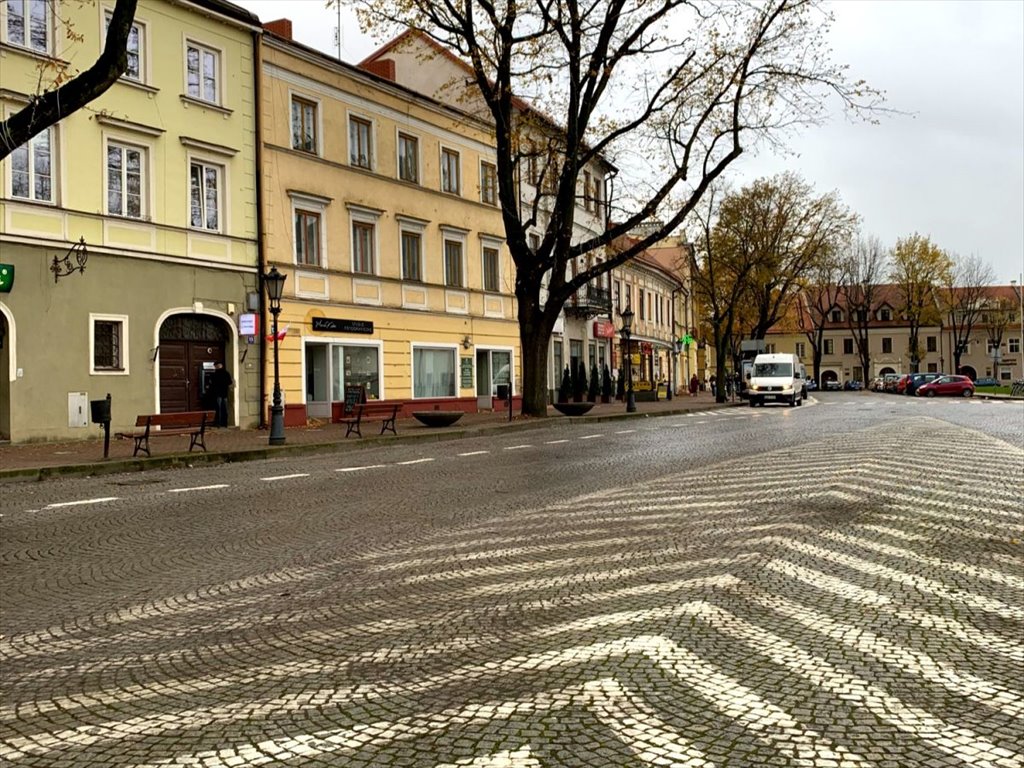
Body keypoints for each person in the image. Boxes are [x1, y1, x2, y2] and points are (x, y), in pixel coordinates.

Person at [211, 362, 233, 427]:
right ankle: (225, 423)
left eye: (215, 366)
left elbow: (212, 383)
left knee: (218, 409)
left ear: (217, 366)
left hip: (218, 394)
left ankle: (218, 423)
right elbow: (230, 382)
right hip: (225, 393)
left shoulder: (215, 374)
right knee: (225, 409)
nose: (215, 367)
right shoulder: (226, 373)